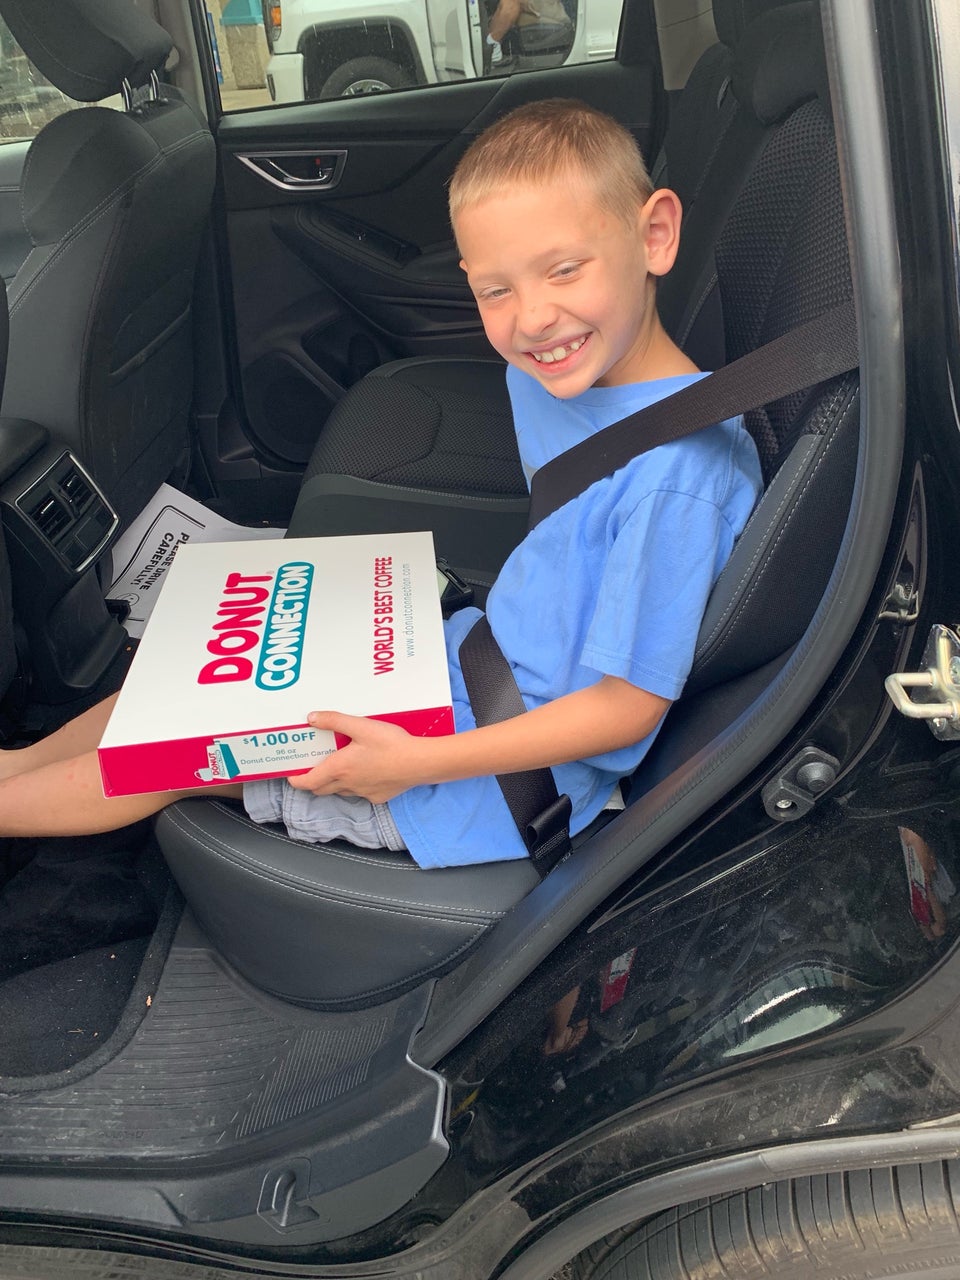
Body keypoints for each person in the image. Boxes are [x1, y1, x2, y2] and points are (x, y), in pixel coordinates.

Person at [0, 99, 762, 870]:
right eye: (495, 290)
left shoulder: (679, 479)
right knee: (173, 674)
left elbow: (626, 710)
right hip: (470, 663)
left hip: (488, 776)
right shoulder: (562, 378)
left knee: (169, 753)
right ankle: (15, 765)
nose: (533, 318)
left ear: (655, 235)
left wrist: (412, 763)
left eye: (565, 269)